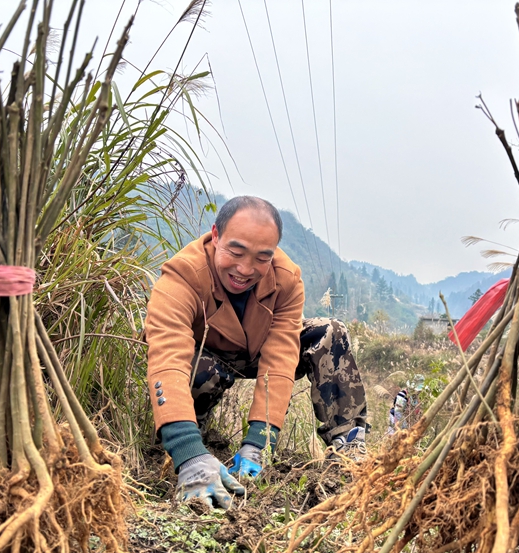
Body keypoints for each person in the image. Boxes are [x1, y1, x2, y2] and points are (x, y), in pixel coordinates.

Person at [145, 196, 368, 509]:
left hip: (258, 350)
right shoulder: (183, 276)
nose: (245, 269)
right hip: (208, 356)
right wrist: (189, 454)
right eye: (236, 252)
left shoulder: (287, 279)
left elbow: (279, 358)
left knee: (330, 332)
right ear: (215, 235)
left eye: (262, 258)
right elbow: (167, 359)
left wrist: (258, 443)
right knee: (197, 369)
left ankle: (349, 447)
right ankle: (191, 444)